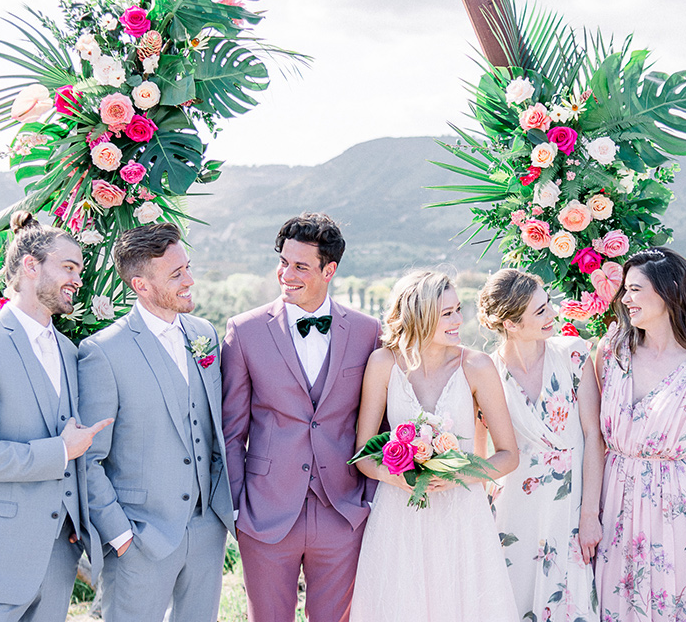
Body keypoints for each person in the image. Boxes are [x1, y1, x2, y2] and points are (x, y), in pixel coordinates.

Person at [0, 211, 110, 621]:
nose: (77, 279)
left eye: (80, 270)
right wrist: (59, 452)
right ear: (30, 266)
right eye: (68, 267)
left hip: (57, 562)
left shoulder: (70, 353)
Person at [221, 212, 381, 622]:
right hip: (266, 513)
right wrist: (239, 508)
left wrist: (368, 500)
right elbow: (231, 429)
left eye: (300, 266)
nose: (286, 274)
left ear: (329, 270)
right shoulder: (245, 331)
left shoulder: (367, 332)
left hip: (342, 511)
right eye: (283, 262)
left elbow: (378, 422)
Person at [77, 223, 234, 622]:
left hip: (206, 531)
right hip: (139, 538)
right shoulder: (103, 352)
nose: (190, 280)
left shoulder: (204, 335)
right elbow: (88, 458)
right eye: (176, 274)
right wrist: (121, 535)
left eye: (188, 268)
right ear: (141, 285)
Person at [350, 271, 519, 622]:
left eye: (458, 309)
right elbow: (364, 452)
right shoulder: (383, 364)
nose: (459, 320)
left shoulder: (476, 365)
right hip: (400, 513)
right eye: (447, 313)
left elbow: (508, 455)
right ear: (419, 314)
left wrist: (460, 472)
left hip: (462, 514)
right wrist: (394, 477)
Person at [595, 247, 686, 620]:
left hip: (676, 514)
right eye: (624, 289)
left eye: (635, 289)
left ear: (668, 291)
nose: (625, 299)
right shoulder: (611, 351)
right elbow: (590, 436)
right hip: (615, 508)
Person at [477, 268, 603, 622]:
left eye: (548, 305)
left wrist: (589, 514)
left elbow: (594, 437)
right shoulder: (484, 371)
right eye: (541, 311)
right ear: (511, 323)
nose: (553, 315)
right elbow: (480, 450)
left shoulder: (574, 355)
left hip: (569, 511)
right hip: (511, 511)